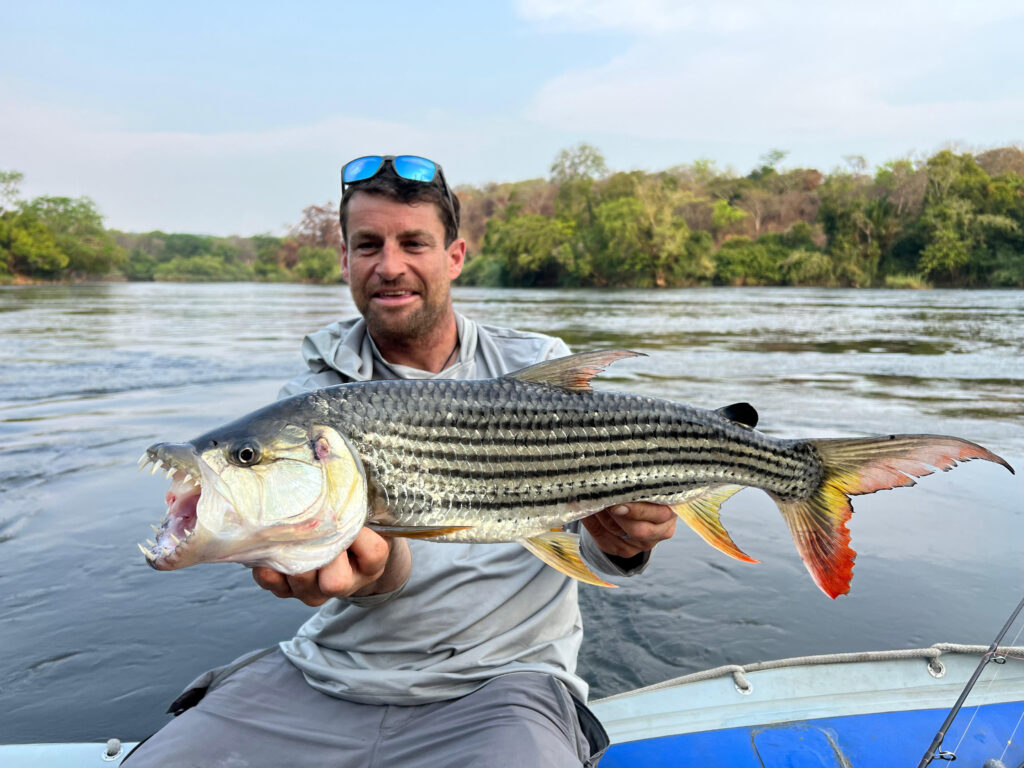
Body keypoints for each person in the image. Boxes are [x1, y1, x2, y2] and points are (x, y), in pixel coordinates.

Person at [125, 155, 678, 768]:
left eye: (413, 242)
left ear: (455, 256)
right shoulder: (305, 403)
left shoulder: (537, 367)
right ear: (344, 259)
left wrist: (629, 541)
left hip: (505, 684)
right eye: (368, 245)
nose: (389, 266)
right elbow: (361, 570)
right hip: (327, 677)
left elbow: (585, 537)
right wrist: (375, 578)